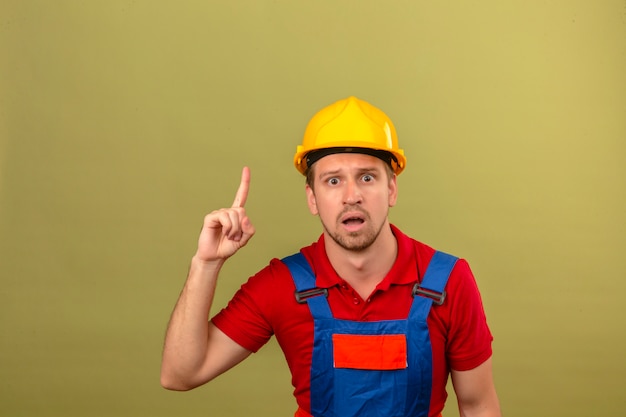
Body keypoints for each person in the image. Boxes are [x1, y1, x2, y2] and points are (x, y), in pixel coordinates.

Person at [160, 96, 502, 417]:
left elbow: (478, 407)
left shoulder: (446, 281)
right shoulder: (282, 285)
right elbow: (180, 374)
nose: (351, 196)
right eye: (333, 181)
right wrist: (206, 263)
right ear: (312, 198)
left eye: (367, 177)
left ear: (391, 189)